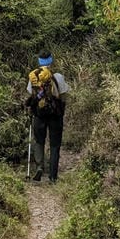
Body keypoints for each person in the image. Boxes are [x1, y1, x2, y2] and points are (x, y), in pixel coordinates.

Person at [26, 50, 70, 183]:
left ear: (39, 61)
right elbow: (63, 95)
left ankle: (40, 167)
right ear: (51, 61)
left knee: (39, 141)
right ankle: (52, 176)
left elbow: (30, 94)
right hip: (55, 115)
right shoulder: (58, 76)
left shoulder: (34, 76)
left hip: (39, 114)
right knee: (55, 145)